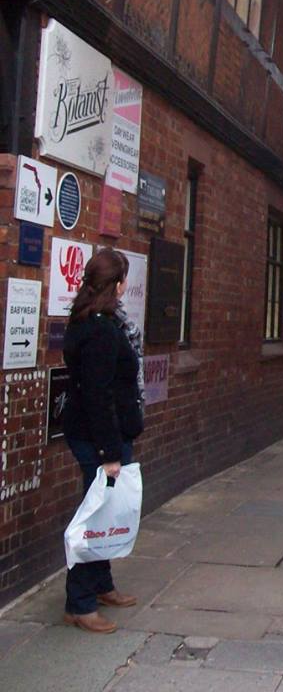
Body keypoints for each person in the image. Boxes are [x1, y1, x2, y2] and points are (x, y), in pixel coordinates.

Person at [62, 248, 144, 634]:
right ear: (117, 284)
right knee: (94, 518)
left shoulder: (94, 321)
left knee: (105, 512)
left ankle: (101, 585)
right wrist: (109, 453)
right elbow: (98, 395)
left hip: (99, 433)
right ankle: (79, 604)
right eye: (124, 279)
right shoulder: (99, 330)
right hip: (99, 438)